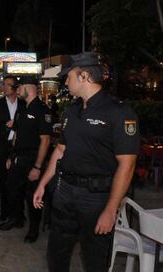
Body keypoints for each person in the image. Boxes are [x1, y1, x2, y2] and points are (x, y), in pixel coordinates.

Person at [33, 52, 139, 272]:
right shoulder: (72, 110)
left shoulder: (118, 111)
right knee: (56, 253)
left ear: (84, 76)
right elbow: (61, 149)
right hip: (65, 191)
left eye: (68, 76)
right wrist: (43, 183)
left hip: (96, 197)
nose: (66, 81)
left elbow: (127, 165)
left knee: (94, 258)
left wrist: (111, 209)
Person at [0, 76, 52, 244]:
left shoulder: (42, 109)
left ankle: (33, 229)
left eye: (19, 87)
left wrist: (37, 167)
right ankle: (17, 218)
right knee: (11, 190)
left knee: (32, 197)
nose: (17, 90)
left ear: (29, 88)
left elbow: (45, 140)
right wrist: (11, 156)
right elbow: (16, 135)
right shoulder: (22, 109)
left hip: (33, 159)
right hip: (18, 158)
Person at [0, 75, 25, 222]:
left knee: (19, 182)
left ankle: (19, 212)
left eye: (8, 84)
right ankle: (5, 212)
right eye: (4, 84)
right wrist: (6, 126)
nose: (4, 87)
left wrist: (16, 125)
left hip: (18, 148)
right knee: (4, 182)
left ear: (15, 87)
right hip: (1, 149)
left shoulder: (23, 105)